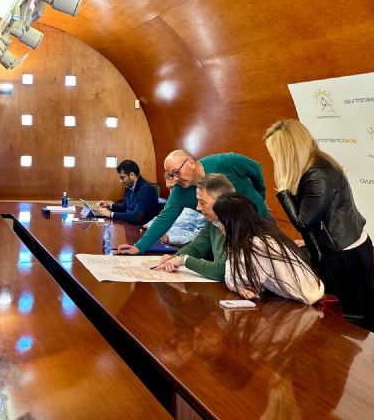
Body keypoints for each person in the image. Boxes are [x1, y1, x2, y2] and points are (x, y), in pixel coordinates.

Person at [264, 119, 373, 325]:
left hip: (344, 254)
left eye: (275, 153)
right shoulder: (313, 167)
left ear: (288, 152)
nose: (273, 158)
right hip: (338, 247)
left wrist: (284, 192)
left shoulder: (318, 175)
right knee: (338, 316)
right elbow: (320, 217)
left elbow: (303, 222)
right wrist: (311, 241)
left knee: (347, 320)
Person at [117, 149, 269, 254]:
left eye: (176, 173)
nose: (175, 179)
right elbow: (165, 218)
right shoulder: (180, 191)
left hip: (261, 222)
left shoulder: (223, 162)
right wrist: (139, 247)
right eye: (171, 175)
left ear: (190, 162)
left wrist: (261, 196)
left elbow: (255, 169)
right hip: (230, 235)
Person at [213, 192, 324, 304]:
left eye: (219, 222)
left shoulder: (256, 245)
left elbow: (234, 280)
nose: (219, 226)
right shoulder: (265, 232)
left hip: (304, 304)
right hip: (303, 297)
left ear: (230, 224)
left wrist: (231, 245)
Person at [151, 174, 235, 281]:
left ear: (221, 201)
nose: (198, 207)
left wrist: (184, 260)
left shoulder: (237, 224)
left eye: (202, 202)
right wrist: (175, 257)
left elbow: (221, 271)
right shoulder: (212, 221)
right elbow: (196, 248)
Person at [96, 159, 161, 225]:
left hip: (140, 228)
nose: (121, 181)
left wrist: (110, 214)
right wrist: (109, 206)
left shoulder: (147, 190)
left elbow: (137, 217)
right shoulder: (130, 186)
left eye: (122, 177)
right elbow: (124, 207)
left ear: (132, 175)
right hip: (128, 225)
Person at [143, 177, 205, 246]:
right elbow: (162, 217)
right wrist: (148, 226)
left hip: (179, 247)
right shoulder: (172, 203)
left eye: (173, 188)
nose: (171, 193)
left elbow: (201, 238)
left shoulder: (200, 206)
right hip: (159, 241)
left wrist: (169, 239)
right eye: (169, 188)